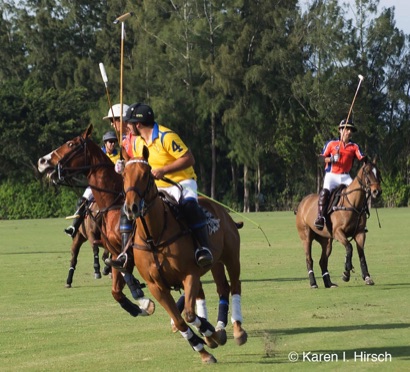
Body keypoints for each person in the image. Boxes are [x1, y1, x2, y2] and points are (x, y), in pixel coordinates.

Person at [109, 103, 213, 269]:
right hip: (156, 185)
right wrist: (123, 166)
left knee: (189, 206)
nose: (127, 126)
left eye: (129, 123)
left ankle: (203, 248)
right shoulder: (137, 143)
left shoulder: (166, 136)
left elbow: (189, 159)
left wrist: (164, 170)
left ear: (138, 125)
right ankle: (125, 253)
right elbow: (136, 165)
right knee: (127, 210)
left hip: (181, 181)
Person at [314, 118, 367, 230]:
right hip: (332, 175)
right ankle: (320, 217)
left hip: (345, 176)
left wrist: (367, 161)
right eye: (347, 129)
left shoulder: (354, 146)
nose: (349, 132)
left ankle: (361, 219)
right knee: (325, 192)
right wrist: (332, 159)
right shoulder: (331, 144)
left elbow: (362, 158)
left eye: (351, 130)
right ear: (340, 130)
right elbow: (320, 159)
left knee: (359, 191)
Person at [64, 131, 120, 237]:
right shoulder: (98, 154)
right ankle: (74, 227)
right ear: (105, 143)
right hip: (95, 185)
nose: (112, 144)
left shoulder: (119, 156)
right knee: (82, 201)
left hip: (111, 188)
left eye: (114, 142)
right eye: (110, 142)